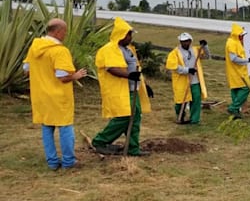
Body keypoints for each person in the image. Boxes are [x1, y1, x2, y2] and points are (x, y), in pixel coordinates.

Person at [23, 18, 88, 170]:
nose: (65, 35)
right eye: (64, 31)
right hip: (58, 97)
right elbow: (62, 77)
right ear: (58, 31)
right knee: (65, 127)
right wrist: (76, 75)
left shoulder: (35, 47)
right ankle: (68, 161)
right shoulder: (60, 51)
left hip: (41, 95)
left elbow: (26, 71)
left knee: (47, 127)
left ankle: (52, 162)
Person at [91, 17, 153, 156]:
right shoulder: (109, 49)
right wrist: (130, 76)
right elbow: (111, 68)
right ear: (121, 34)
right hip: (121, 91)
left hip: (133, 89)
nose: (130, 37)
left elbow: (136, 68)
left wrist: (144, 85)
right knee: (124, 117)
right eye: (128, 34)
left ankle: (133, 148)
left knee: (135, 118)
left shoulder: (128, 49)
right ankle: (100, 141)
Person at [165, 32, 210, 124]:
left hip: (195, 80)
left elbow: (206, 56)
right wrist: (187, 70)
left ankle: (194, 120)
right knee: (180, 101)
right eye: (182, 41)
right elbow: (173, 66)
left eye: (186, 41)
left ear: (190, 41)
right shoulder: (174, 53)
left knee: (196, 100)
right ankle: (180, 115)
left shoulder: (195, 50)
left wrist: (205, 46)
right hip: (181, 81)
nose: (184, 43)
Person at [225, 23, 250, 119]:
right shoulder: (232, 43)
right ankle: (233, 107)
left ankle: (235, 113)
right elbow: (234, 58)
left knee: (236, 90)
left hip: (238, 71)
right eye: (242, 35)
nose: (243, 37)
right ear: (238, 34)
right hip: (236, 72)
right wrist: (247, 60)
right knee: (246, 88)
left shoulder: (236, 43)